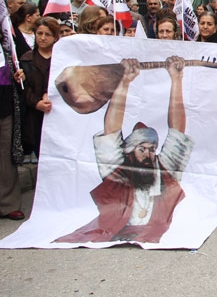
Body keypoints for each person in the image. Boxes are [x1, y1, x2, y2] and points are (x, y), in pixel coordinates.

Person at [55, 56, 194, 243]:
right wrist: (125, 82)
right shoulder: (117, 173)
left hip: (158, 234)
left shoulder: (165, 172)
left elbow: (177, 131)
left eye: (152, 149)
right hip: (115, 233)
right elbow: (112, 130)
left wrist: (176, 79)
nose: (148, 154)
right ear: (129, 151)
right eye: (142, 149)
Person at [20, 17, 59, 164]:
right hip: (35, 116)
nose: (42, 38)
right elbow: (24, 89)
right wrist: (37, 103)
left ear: (55, 37)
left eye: (47, 34)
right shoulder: (27, 59)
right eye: (39, 33)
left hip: (57, 114)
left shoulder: (60, 58)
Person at [0, 19, 25, 221]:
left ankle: (8, 204)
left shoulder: (7, 50)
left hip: (5, 105)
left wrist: (18, 77)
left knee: (6, 155)